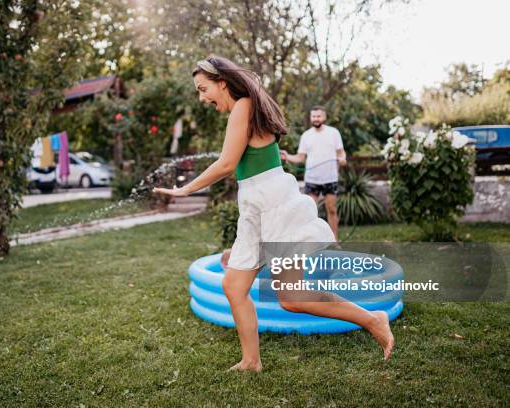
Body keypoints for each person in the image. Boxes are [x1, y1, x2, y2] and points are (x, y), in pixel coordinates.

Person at [153, 56, 394, 372]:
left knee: (291, 298)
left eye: (203, 89)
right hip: (255, 207)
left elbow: (227, 163)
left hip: (275, 205)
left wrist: (185, 190)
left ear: (222, 81)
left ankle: (373, 318)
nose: (202, 98)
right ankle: (251, 361)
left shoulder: (244, 105)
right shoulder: (247, 107)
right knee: (234, 287)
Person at [280, 107, 346, 240]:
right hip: (312, 179)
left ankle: (334, 240)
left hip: (330, 178)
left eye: (319, 116)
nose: (316, 119)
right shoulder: (306, 135)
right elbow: (300, 158)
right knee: (309, 213)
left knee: (332, 210)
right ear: (310, 118)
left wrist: (343, 158)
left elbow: (341, 152)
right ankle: (312, 242)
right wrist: (287, 157)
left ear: (324, 117)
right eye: (314, 116)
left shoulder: (333, 133)